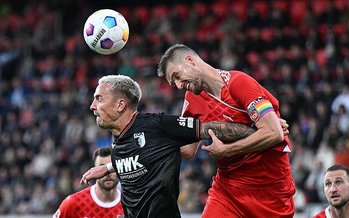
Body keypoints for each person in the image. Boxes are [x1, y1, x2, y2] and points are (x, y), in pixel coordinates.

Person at [80, 75, 258, 218]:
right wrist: (109, 167)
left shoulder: (158, 125)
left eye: (99, 99)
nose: (92, 106)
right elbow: (142, 158)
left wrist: (260, 130)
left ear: (120, 105)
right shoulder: (119, 139)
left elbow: (209, 129)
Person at [157, 43, 296, 217]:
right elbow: (187, 150)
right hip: (227, 191)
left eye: (177, 76)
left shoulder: (239, 83)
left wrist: (227, 150)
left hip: (270, 191)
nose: (178, 85)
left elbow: (274, 133)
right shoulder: (192, 98)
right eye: (173, 82)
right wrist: (154, 134)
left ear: (190, 61)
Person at [53, 147, 124, 218]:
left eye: (111, 168)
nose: (107, 173)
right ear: (93, 170)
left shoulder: (130, 204)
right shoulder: (73, 203)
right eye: (101, 168)